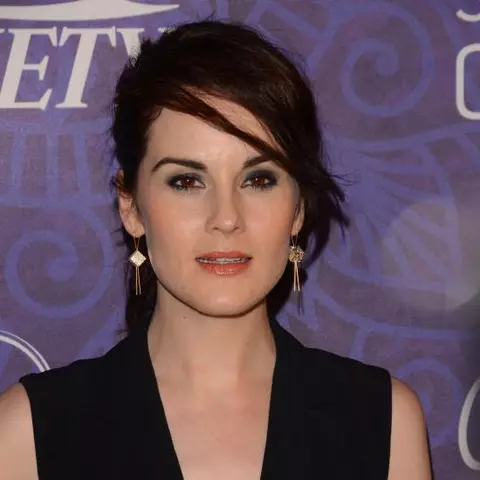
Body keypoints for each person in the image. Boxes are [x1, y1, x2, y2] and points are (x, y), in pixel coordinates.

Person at [0, 19, 432, 480]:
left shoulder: (381, 421)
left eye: (258, 179)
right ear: (132, 206)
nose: (226, 217)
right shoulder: (31, 432)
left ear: (298, 208)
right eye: (187, 181)